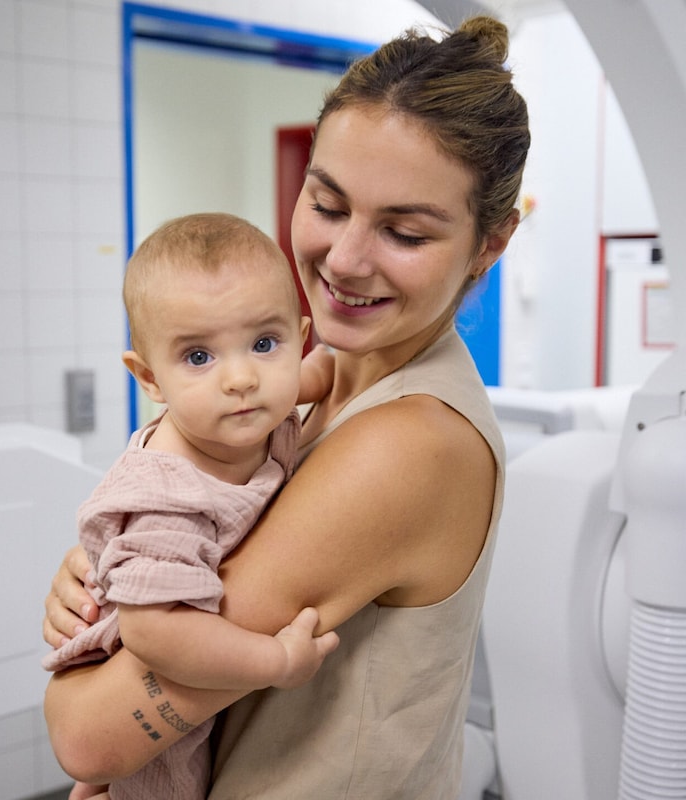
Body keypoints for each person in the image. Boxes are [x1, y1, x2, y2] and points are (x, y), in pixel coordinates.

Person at [43, 15, 530, 799]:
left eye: (404, 231)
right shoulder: (311, 380)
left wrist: (102, 639)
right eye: (328, 205)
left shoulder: (407, 444)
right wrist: (111, 571)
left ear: (490, 244)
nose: (343, 259)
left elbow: (88, 737)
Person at [42, 212, 340, 800]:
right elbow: (157, 634)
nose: (239, 378)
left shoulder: (249, 408)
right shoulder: (168, 496)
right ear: (149, 378)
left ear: (299, 337)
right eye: (198, 357)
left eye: (263, 342)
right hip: (141, 705)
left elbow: (325, 373)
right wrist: (276, 662)